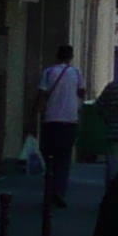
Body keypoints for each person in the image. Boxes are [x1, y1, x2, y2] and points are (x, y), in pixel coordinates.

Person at [34, 44, 83, 208]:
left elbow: (42, 95)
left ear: (57, 55)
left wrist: (34, 114)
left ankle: (49, 190)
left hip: (50, 120)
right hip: (69, 120)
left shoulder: (48, 72)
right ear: (71, 57)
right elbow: (82, 92)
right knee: (64, 158)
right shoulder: (76, 73)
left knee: (48, 157)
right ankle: (59, 191)